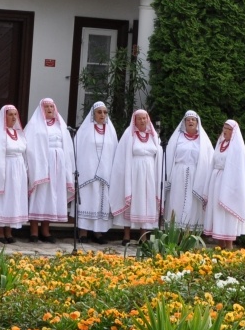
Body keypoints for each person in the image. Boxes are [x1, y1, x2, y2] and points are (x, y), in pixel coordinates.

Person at [109, 109, 161, 245]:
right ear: (135, 120)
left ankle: (143, 237)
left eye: (145, 118)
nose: (143, 121)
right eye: (139, 118)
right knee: (132, 201)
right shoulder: (129, 134)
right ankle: (126, 235)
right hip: (134, 173)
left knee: (146, 202)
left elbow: (158, 155)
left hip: (150, 174)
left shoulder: (153, 136)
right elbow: (122, 156)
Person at [26, 98, 74, 242]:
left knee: (52, 196)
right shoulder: (34, 125)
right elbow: (29, 146)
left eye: (52, 106)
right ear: (41, 109)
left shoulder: (61, 125)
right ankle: (34, 231)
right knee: (39, 195)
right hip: (41, 165)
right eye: (46, 106)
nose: (49, 109)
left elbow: (68, 147)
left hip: (58, 166)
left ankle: (45, 230)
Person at [203, 119, 245, 250]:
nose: (225, 131)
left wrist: (231, 185)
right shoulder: (220, 143)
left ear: (234, 132)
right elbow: (213, 162)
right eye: (224, 128)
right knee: (217, 211)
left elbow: (238, 169)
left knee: (228, 212)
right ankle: (220, 243)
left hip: (229, 184)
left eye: (228, 129)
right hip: (216, 182)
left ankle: (229, 245)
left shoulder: (237, 148)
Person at [0, 104, 28, 244]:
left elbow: (24, 152)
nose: (14, 117)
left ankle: (9, 229)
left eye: (15, 114)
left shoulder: (19, 133)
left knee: (14, 199)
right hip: (5, 169)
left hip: (18, 169)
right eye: (10, 114)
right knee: (3, 199)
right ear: (4, 116)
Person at [73, 101, 117, 243]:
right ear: (93, 114)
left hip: (105, 172)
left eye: (105, 112)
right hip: (87, 172)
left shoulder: (111, 132)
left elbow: (115, 152)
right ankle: (83, 232)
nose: (102, 115)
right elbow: (77, 150)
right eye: (99, 112)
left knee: (101, 201)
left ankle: (98, 232)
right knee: (87, 200)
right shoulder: (85, 131)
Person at [164, 111, 213, 231]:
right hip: (178, 173)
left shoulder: (203, 140)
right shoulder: (177, 138)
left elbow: (209, 159)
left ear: (197, 122)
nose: (191, 121)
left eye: (193, 119)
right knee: (177, 200)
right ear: (184, 123)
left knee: (193, 203)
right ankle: (175, 232)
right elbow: (169, 156)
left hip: (196, 174)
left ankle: (190, 233)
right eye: (188, 119)